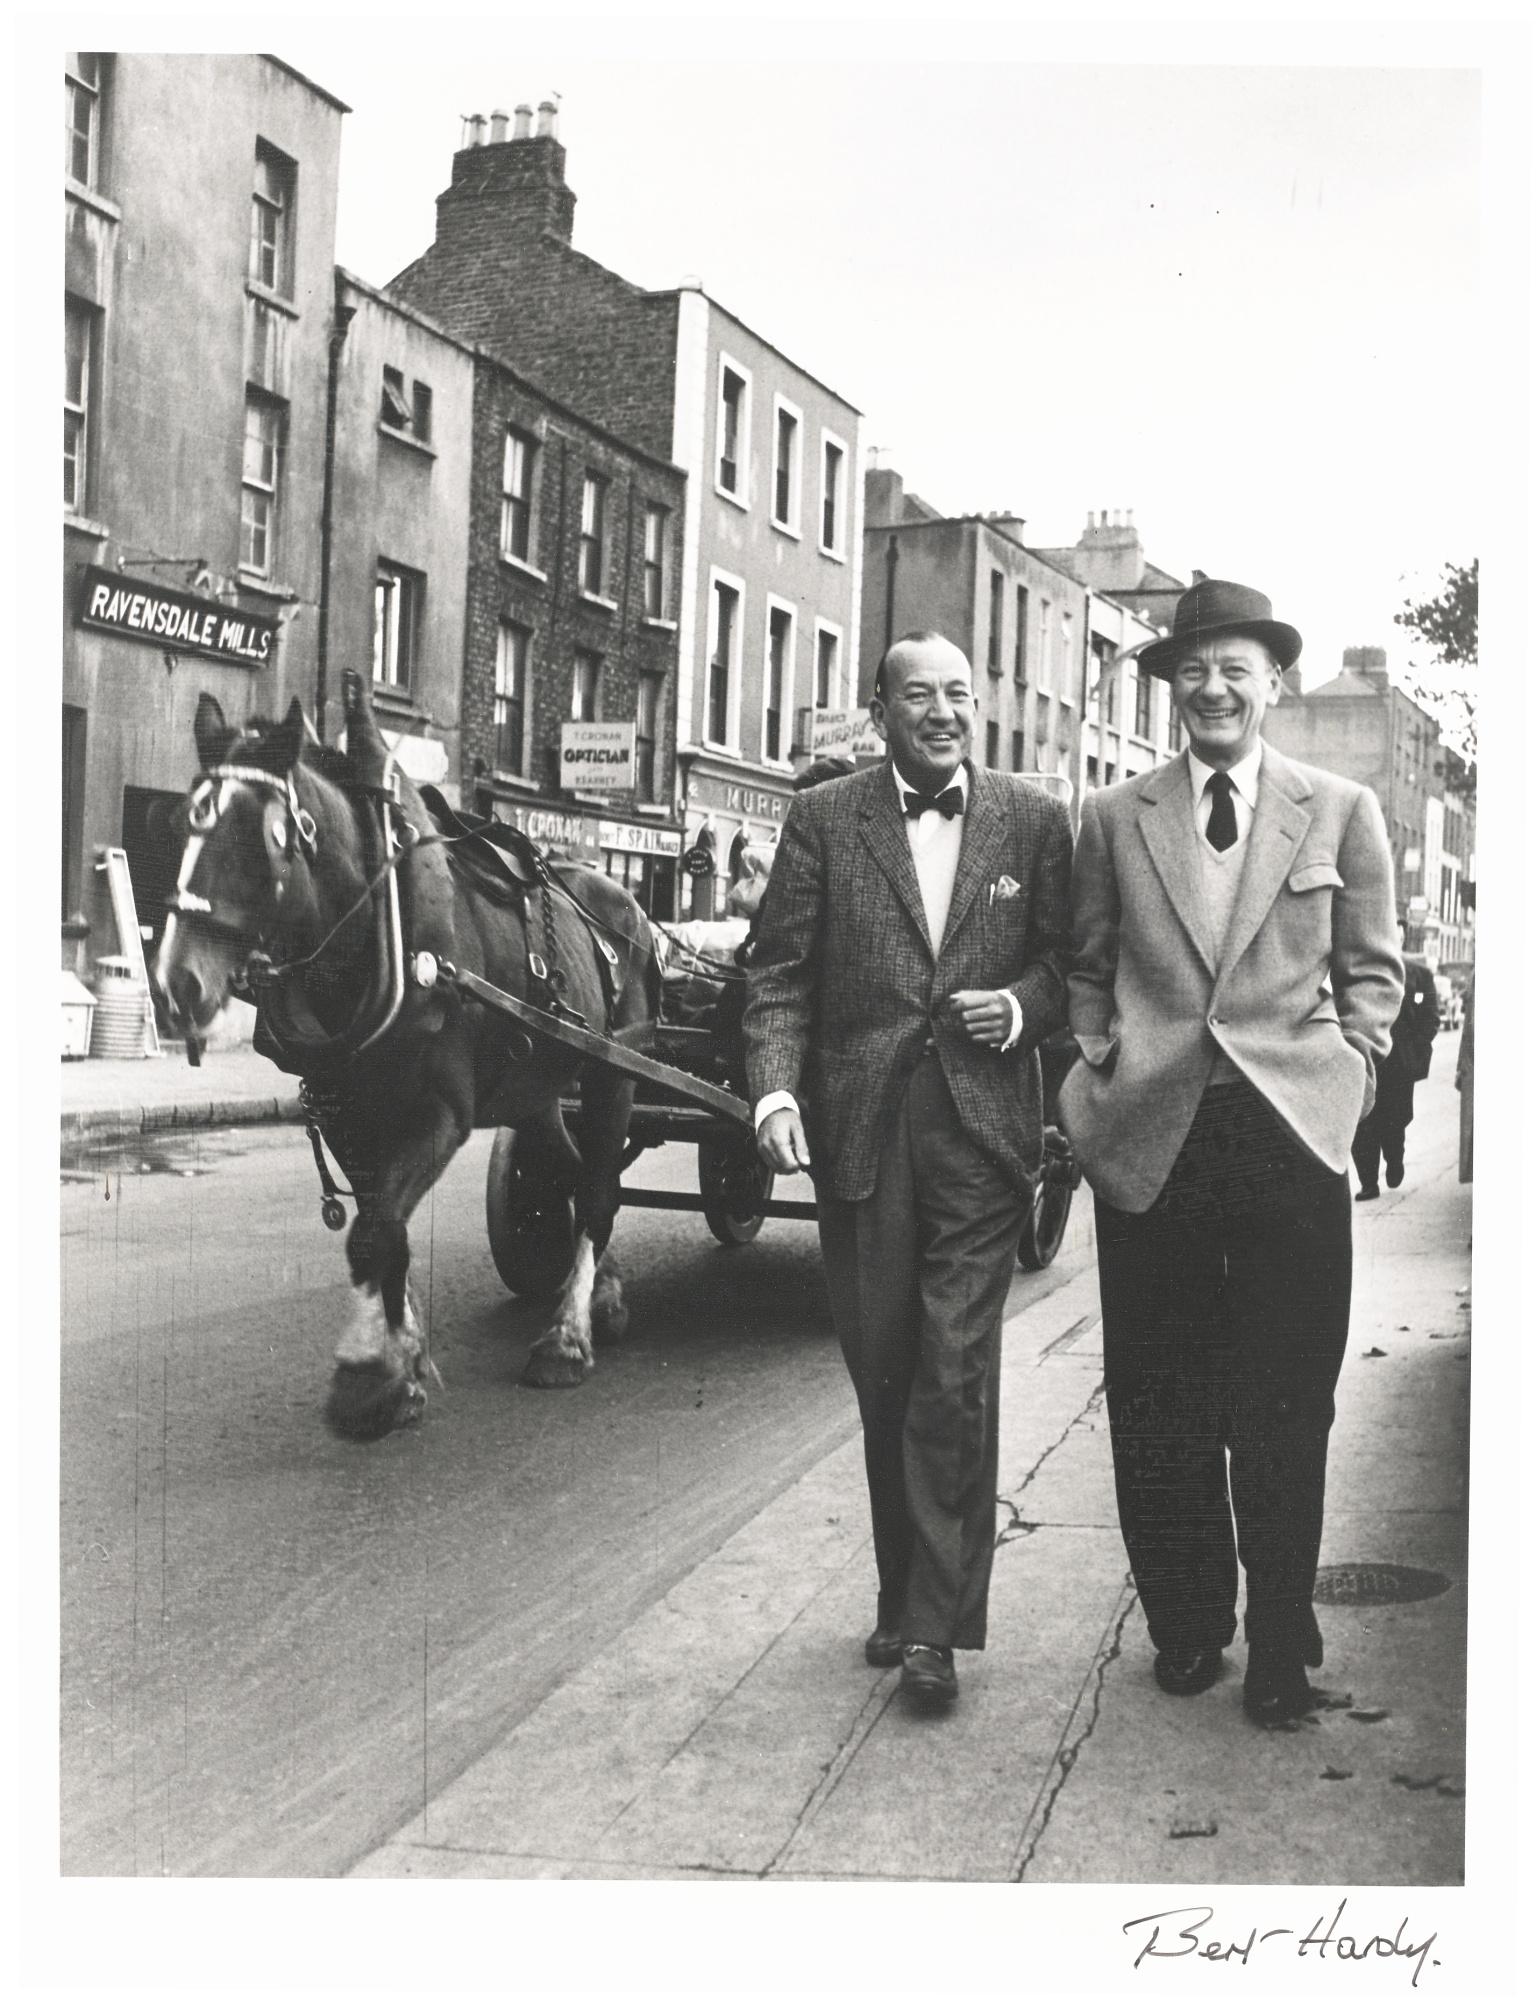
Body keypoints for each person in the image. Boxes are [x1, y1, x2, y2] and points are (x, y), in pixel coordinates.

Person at [1058, 578, 1403, 1726]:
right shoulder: (1115, 816)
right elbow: (1086, 965)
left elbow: (1372, 971)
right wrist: (1097, 1069)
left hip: (1289, 1144)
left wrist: (1348, 1073)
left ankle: (1281, 1642)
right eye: (1192, 668)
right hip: (1151, 1140)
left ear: (1274, 683)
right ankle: (1189, 1623)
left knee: (1285, 1398)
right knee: (1159, 1395)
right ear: (1171, 687)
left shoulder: (1341, 808)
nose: (1213, 686)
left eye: (1235, 667)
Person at [743, 632, 1072, 1710]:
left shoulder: (1034, 816)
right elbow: (779, 975)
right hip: (864, 1132)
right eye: (919, 693)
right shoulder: (826, 817)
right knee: (884, 1366)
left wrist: (1021, 1007)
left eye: (959, 694)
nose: (942, 710)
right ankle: (901, 1587)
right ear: (879, 707)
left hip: (981, 1135)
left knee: (953, 1368)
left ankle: (935, 1628)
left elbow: (1068, 967)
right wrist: (776, 1091)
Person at [1351, 950, 1439, 1198]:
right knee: (1361, 1121)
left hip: (1399, 1062)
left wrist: (1417, 1048)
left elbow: (1430, 1015)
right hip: (1363, 1057)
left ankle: (1394, 1159)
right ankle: (1368, 1183)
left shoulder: (1418, 974)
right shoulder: (1357, 966)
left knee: (1394, 1119)